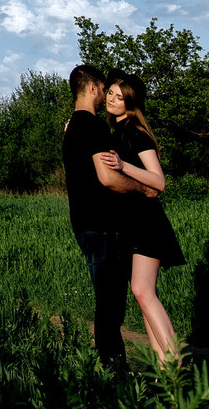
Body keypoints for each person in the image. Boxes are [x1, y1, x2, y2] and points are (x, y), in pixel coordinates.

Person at [61, 62, 148, 368]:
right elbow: (108, 178)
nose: (106, 96)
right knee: (110, 306)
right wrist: (142, 187)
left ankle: (111, 371)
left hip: (85, 225)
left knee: (106, 302)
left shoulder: (73, 128)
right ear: (94, 88)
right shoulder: (93, 126)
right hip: (104, 227)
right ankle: (113, 375)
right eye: (104, 89)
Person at [105, 74, 185, 363]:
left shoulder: (136, 133)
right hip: (131, 223)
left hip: (148, 223)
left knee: (142, 291)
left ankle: (175, 367)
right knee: (142, 295)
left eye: (119, 97)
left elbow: (159, 181)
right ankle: (165, 373)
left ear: (131, 103)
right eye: (110, 94)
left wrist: (124, 165)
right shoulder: (117, 132)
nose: (111, 100)